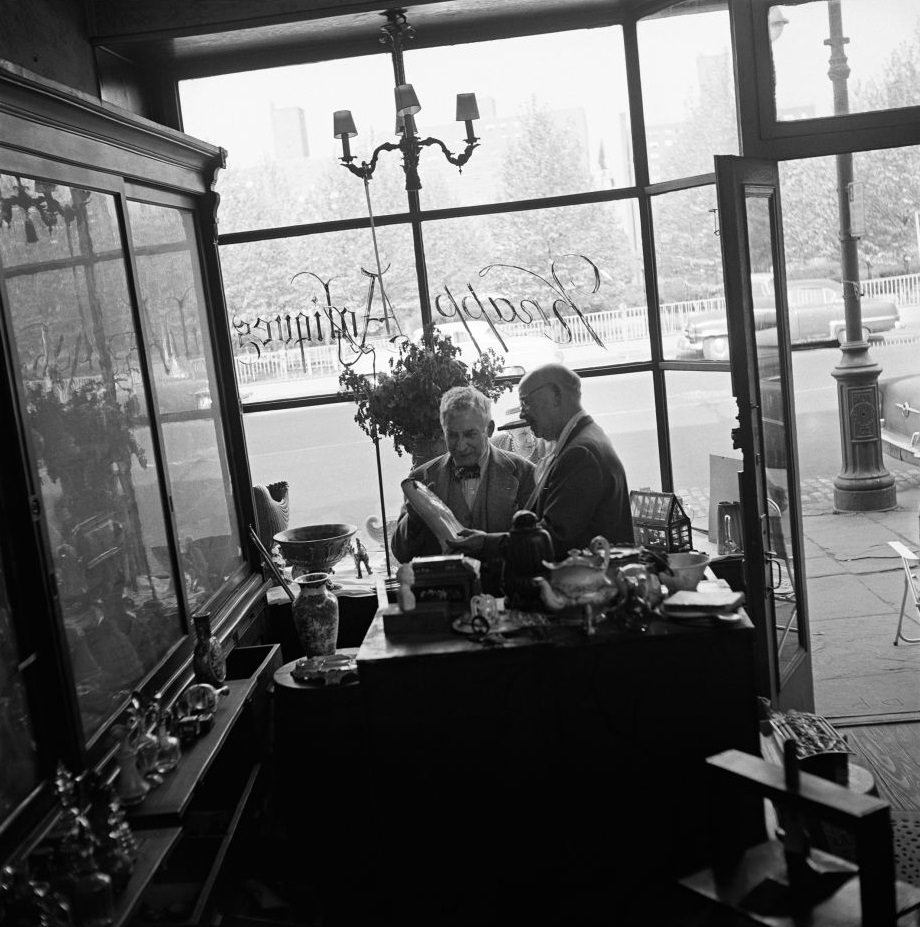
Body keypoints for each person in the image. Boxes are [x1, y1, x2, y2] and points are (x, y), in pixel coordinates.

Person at [449, 363, 634, 562]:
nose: (522, 414)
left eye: (526, 402)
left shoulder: (580, 454)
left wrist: (485, 543)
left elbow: (553, 539)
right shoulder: (584, 440)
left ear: (556, 396)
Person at [391, 385, 536, 594]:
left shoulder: (525, 474)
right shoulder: (420, 478)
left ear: (490, 429)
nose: (461, 446)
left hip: (508, 597)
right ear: (443, 431)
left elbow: (534, 549)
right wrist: (414, 519)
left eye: (470, 434)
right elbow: (401, 553)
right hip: (444, 601)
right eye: (452, 436)